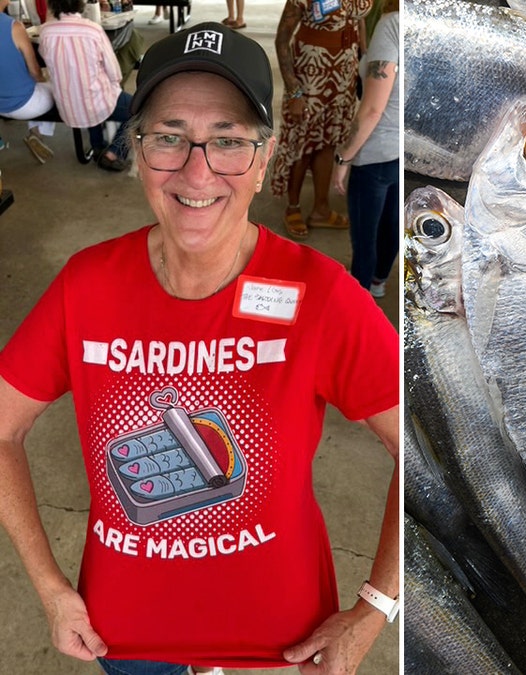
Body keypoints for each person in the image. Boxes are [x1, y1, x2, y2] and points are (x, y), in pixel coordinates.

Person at [0, 21, 399, 675]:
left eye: (228, 142)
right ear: (136, 148)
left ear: (265, 158)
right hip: (126, 641)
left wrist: (376, 606)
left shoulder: (319, 293)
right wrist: (50, 589)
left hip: (277, 646)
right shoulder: (86, 285)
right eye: (169, 138)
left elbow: (420, 452)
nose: (197, 170)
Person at [272, 0, 372, 240]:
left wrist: (365, 60)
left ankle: (321, 208)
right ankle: (293, 206)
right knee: (303, 143)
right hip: (311, 75)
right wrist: (294, 91)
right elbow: (282, 40)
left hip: (343, 74)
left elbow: (359, 21)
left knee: (328, 140)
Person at [332, 0, 398, 298]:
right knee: (392, 226)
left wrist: (344, 156)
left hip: (375, 151)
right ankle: (379, 281)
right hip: (406, 151)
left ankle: (358, 301)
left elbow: (372, 109)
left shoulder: (392, 24)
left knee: (365, 236)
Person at [38, 0, 132, 171]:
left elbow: (48, 60)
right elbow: (115, 73)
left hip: (68, 106)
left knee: (82, 89)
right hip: (96, 101)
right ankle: (114, 153)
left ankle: (97, 145)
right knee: (139, 111)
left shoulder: (45, 31)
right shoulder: (92, 29)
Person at [0, 0, 55, 163]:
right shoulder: (14, 27)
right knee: (53, 87)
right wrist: (44, 81)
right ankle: (36, 134)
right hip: (24, 105)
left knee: (35, 87)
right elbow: (35, 71)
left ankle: (35, 134)